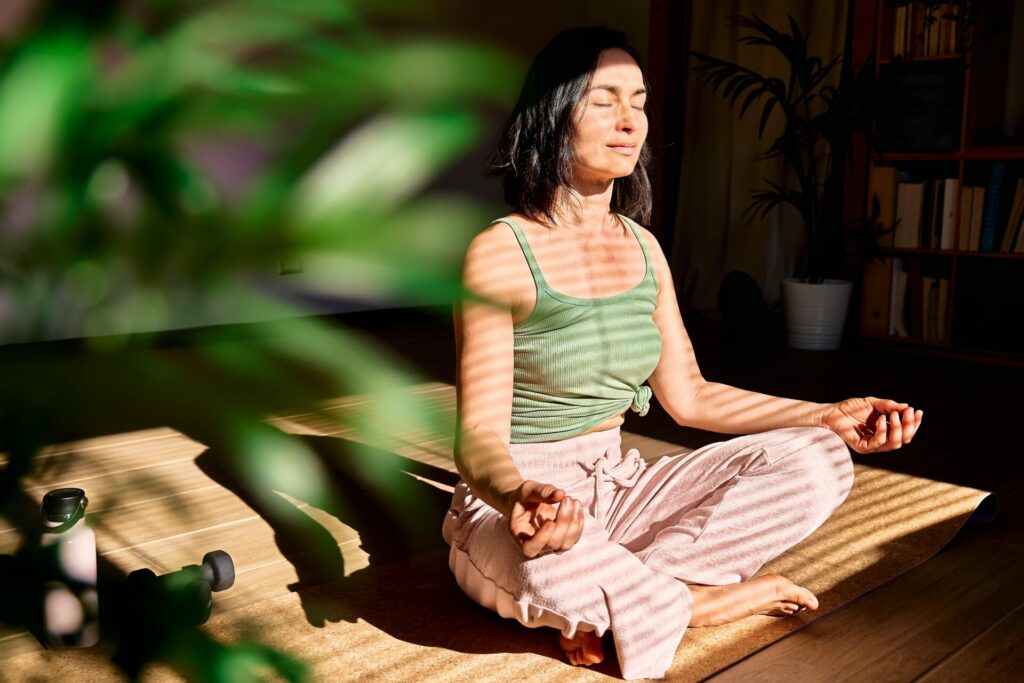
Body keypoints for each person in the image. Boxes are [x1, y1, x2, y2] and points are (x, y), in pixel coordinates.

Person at [442, 26, 922, 680]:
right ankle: (692, 603)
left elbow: (690, 395)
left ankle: (644, 593)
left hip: (619, 482)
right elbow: (476, 438)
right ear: (553, 114)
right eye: (604, 99)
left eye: (638, 101)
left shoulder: (644, 248)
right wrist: (518, 493)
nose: (630, 119)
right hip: (527, 498)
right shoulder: (499, 253)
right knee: (548, 571)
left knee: (822, 460)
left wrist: (824, 415)